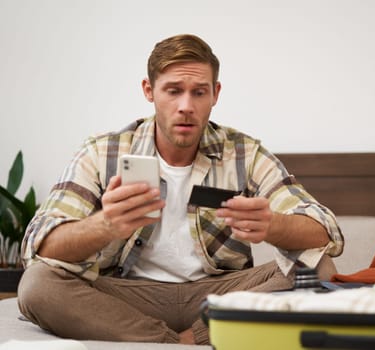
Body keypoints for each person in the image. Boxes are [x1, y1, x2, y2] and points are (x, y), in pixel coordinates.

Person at [17, 34, 344, 345]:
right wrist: (104, 225)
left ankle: (190, 339)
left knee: (319, 268)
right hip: (128, 295)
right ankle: (177, 342)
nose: (186, 105)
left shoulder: (244, 153)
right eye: (173, 91)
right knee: (37, 285)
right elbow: (40, 244)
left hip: (222, 294)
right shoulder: (102, 152)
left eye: (199, 92)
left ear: (215, 94)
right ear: (149, 90)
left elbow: (324, 231)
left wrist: (274, 226)